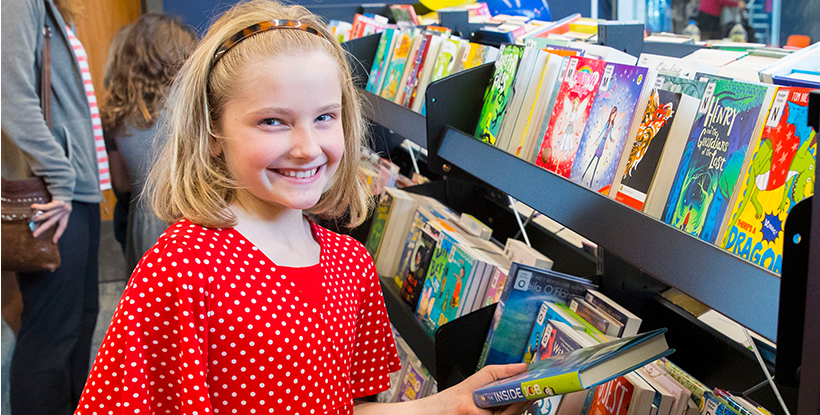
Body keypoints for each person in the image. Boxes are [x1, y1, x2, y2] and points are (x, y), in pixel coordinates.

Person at [74, 1, 529, 414]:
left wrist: (454, 404)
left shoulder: (350, 264)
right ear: (213, 133)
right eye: (273, 121)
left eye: (324, 117)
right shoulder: (183, 268)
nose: (306, 147)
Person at [2, 0, 109, 413]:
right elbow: (10, 96)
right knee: (52, 333)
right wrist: (62, 179)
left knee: (81, 320)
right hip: (55, 193)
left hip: (77, 189)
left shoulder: (51, 8)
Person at [100, 14, 198, 276]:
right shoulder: (195, 108)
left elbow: (121, 182)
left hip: (145, 222)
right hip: (198, 217)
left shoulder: (116, 116)